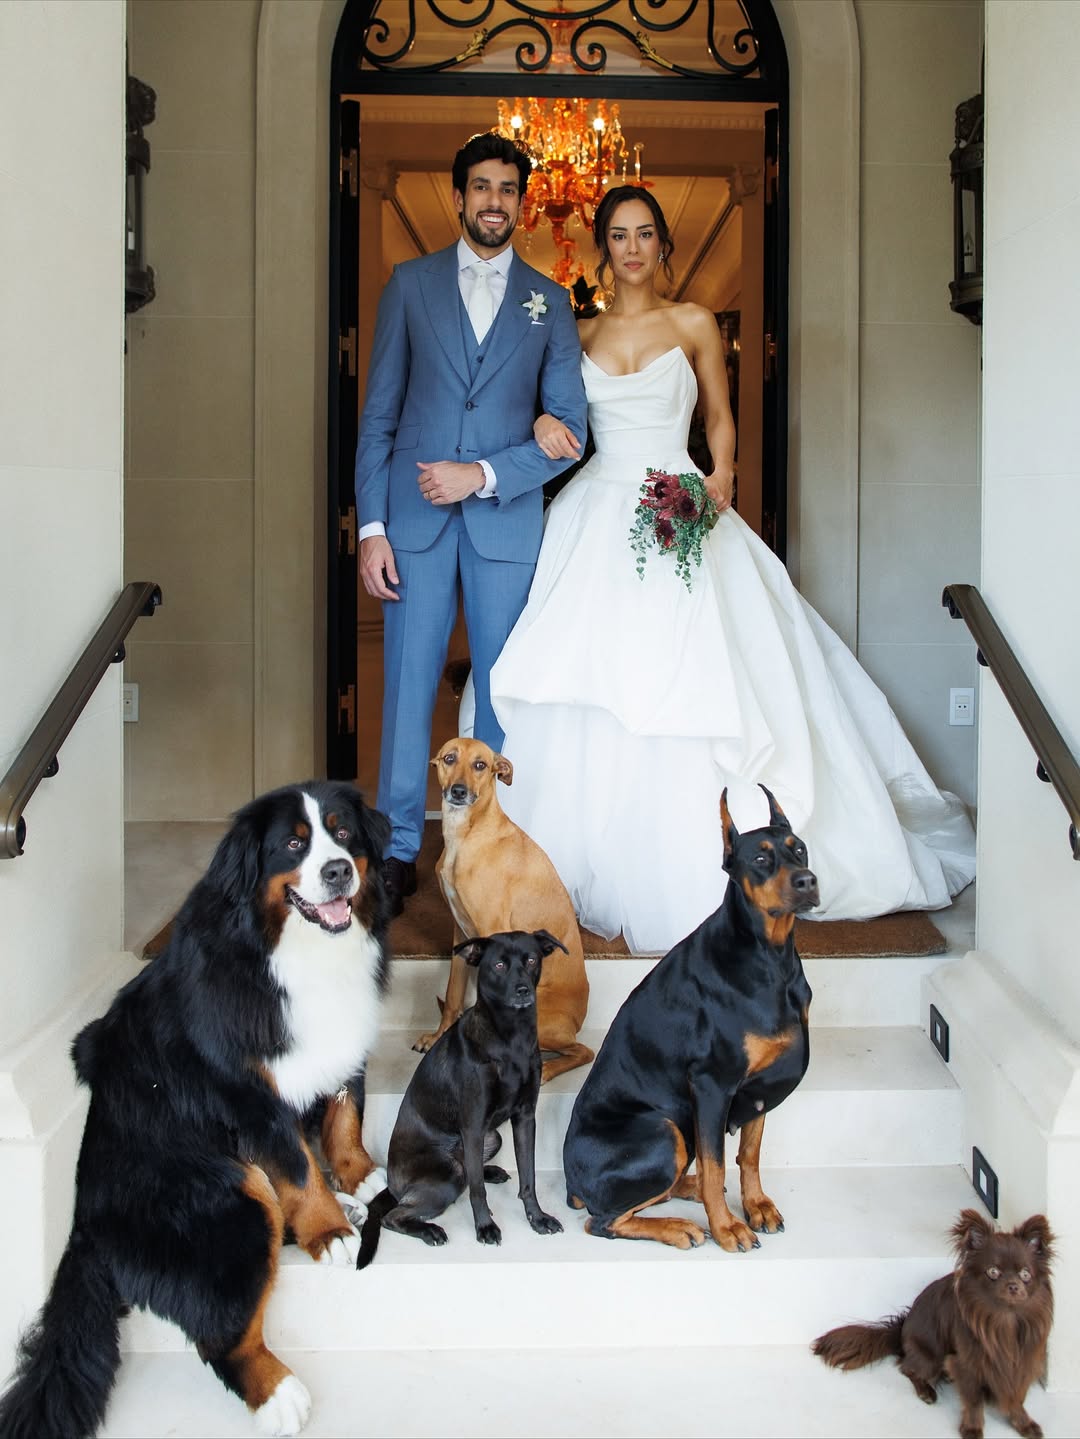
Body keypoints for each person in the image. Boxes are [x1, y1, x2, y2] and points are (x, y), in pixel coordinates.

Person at [481, 186, 976, 954]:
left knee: (704, 678)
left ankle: (712, 859)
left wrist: (725, 472)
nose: (633, 247)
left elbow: (718, 415)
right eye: (618, 235)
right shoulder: (575, 332)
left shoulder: (695, 323)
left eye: (646, 233)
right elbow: (556, 420)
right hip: (598, 513)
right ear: (602, 246)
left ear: (663, 244)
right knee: (596, 679)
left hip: (680, 500)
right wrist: (546, 420)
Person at [355, 133, 587, 916]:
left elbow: (569, 430)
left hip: (504, 524)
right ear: (458, 198)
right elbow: (379, 415)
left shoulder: (550, 302)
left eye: (508, 189)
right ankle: (393, 851)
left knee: (499, 692)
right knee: (408, 686)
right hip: (412, 525)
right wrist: (371, 527)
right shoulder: (409, 286)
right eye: (481, 187)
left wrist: (484, 474)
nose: (495, 201)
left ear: (522, 203)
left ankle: (489, 844)